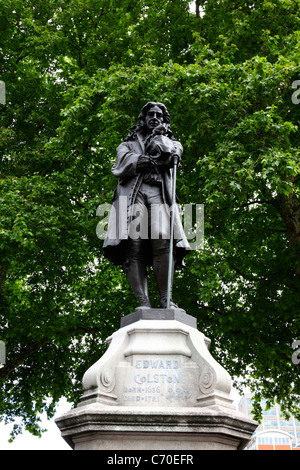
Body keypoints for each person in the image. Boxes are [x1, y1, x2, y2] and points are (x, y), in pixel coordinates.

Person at [103, 102, 190, 309]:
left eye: (159, 115)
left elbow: (170, 152)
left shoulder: (171, 141)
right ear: (143, 119)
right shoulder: (127, 144)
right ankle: (143, 302)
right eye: (150, 114)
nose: (154, 117)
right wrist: (139, 160)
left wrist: (163, 136)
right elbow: (121, 163)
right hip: (133, 193)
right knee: (134, 244)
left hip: (158, 192)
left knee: (163, 238)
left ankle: (166, 300)